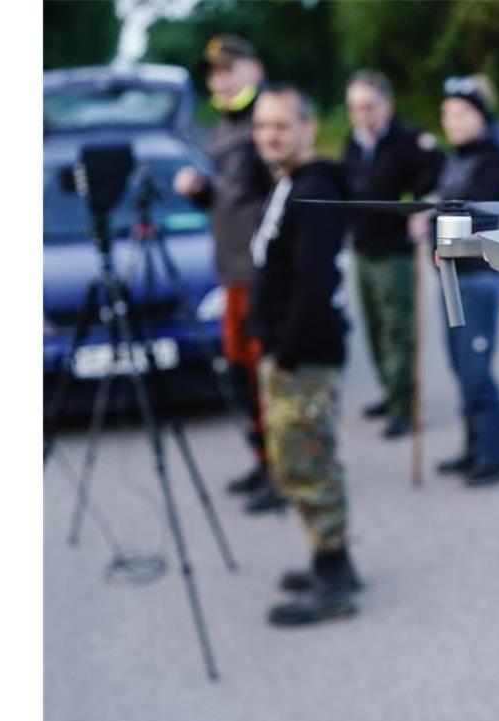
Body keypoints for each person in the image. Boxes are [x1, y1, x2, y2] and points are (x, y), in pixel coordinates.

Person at [248, 84, 361, 625]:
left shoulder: (314, 189)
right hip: (292, 350)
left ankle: (333, 578)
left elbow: (314, 286)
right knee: (301, 461)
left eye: (281, 126)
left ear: (308, 128)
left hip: (306, 355)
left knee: (306, 463)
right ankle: (331, 559)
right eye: (262, 127)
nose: (269, 136)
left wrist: (287, 353)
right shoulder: (291, 183)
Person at [172, 35, 283, 514]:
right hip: (231, 274)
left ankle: (283, 472)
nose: (219, 79)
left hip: (261, 275)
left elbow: (282, 196)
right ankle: (264, 462)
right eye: (213, 72)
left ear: (252, 69)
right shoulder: (224, 127)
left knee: (266, 378)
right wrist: (200, 192)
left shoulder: (266, 123)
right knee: (241, 377)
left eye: (228, 69)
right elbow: (231, 197)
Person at [340, 70, 445, 439]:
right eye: (354, 107)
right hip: (362, 249)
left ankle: (405, 405)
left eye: (368, 106)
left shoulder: (408, 140)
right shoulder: (352, 143)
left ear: (386, 105)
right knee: (373, 328)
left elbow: (437, 175)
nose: (361, 115)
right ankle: (389, 390)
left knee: (398, 331)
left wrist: (419, 207)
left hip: (395, 252)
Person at [421, 75, 499, 486]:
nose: (452, 122)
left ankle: (495, 456)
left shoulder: (492, 157)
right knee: (460, 367)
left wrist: (435, 220)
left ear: (480, 115)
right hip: (451, 278)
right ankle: (473, 447)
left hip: (477, 278)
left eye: (460, 114)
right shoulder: (454, 156)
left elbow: (475, 215)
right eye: (447, 115)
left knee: (476, 370)